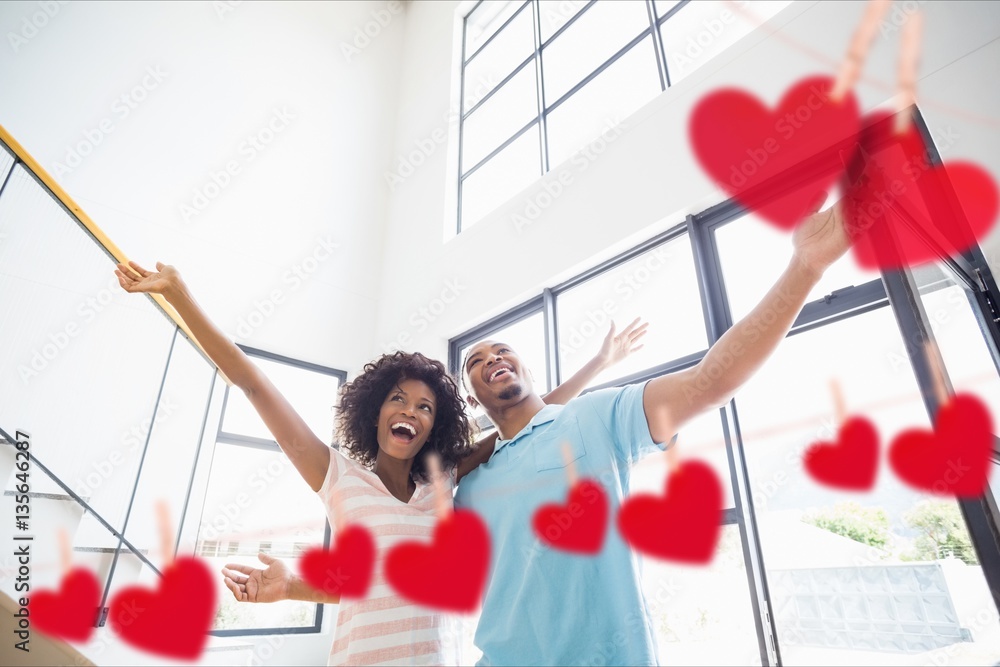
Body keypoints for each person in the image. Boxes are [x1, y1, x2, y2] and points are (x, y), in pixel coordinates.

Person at [113, 257, 646, 666]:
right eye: (397, 399)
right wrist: (182, 298)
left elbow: (530, 418)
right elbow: (253, 385)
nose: (409, 411)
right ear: (374, 412)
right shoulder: (338, 477)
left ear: (432, 427)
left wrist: (599, 363)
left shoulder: (443, 484)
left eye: (424, 407)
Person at [452, 195, 853, 665]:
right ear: (472, 400)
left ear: (529, 368)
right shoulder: (468, 484)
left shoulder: (595, 417)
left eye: (501, 349)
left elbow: (711, 381)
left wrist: (805, 267)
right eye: (476, 362)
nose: (492, 358)